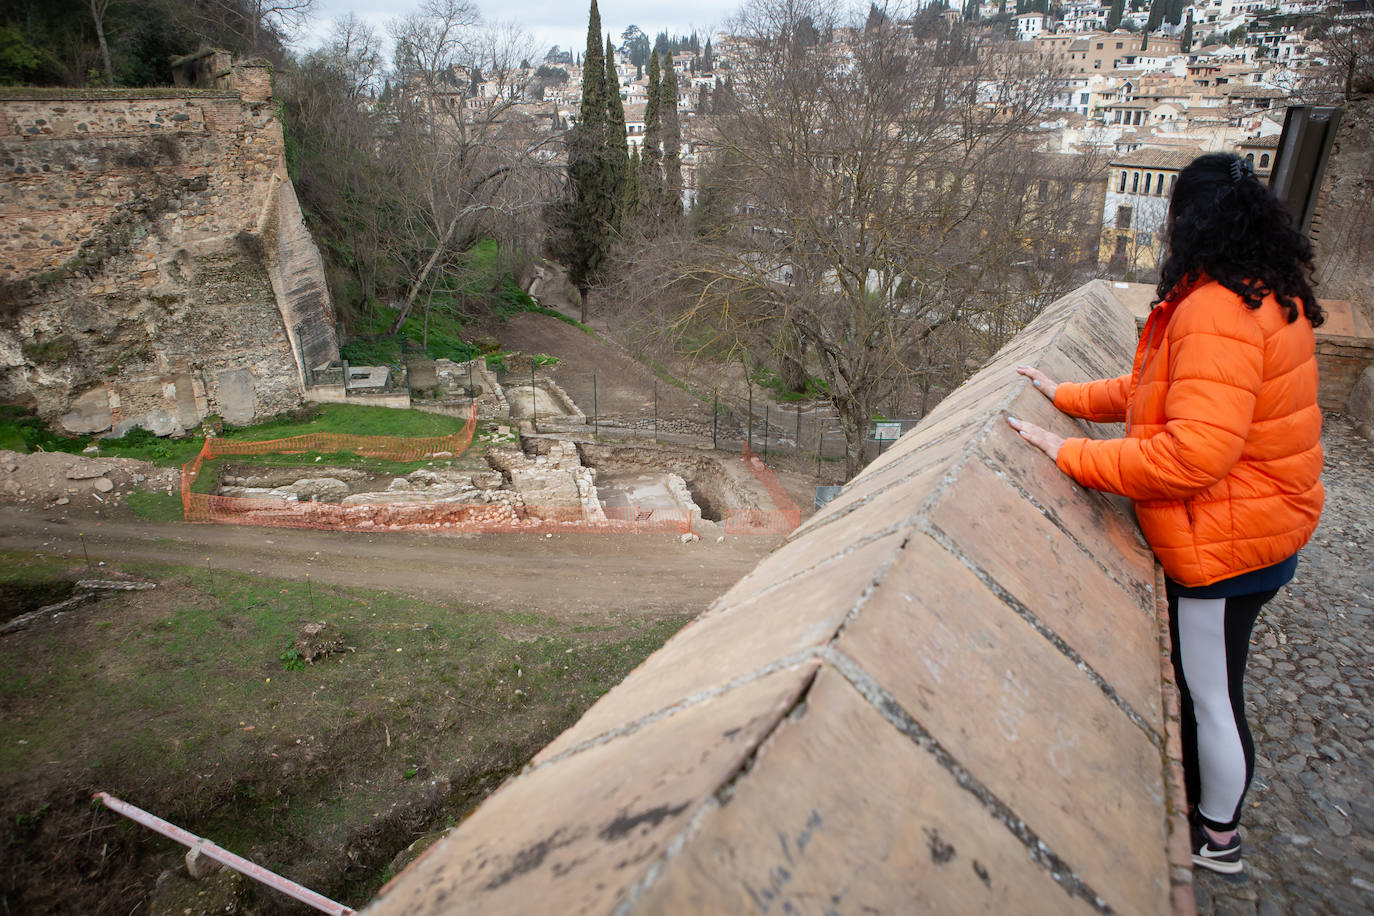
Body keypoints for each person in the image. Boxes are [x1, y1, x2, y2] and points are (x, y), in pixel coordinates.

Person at [1006, 152, 1325, 876]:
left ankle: (1219, 839)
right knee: (1211, 684)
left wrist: (1071, 456)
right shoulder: (1263, 290)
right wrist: (1069, 397)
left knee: (1210, 694)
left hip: (1227, 544)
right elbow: (1158, 387)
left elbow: (1193, 455)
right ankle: (1213, 815)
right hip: (1265, 526)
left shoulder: (1216, 307)